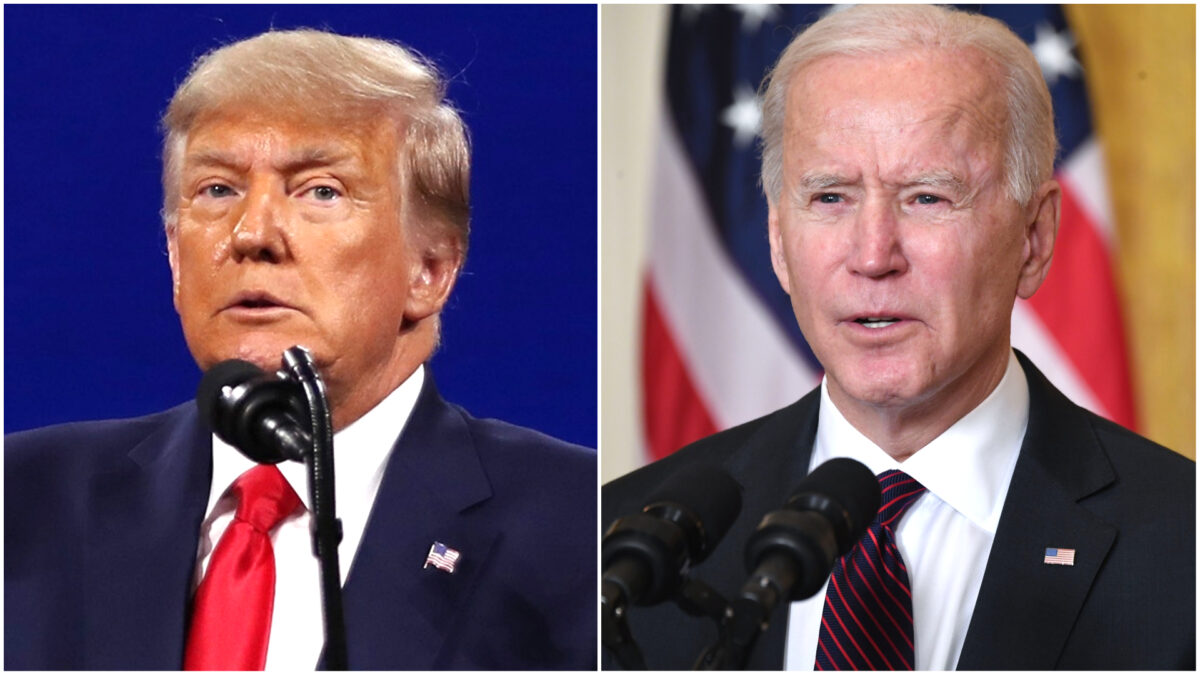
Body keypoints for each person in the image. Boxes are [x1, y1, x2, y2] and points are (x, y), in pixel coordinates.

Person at [602, 5, 1193, 670]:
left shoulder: (1182, 545)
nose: (873, 254)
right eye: (831, 197)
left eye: (927, 197)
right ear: (776, 240)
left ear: (1034, 238)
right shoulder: (619, 554)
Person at [6, 28, 595, 670]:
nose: (252, 233)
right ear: (176, 258)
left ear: (429, 270)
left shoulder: (584, 528)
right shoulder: (22, 504)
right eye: (218, 189)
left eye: (320, 190)